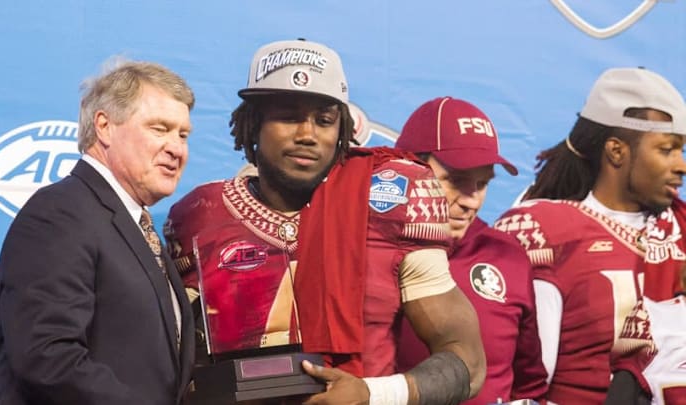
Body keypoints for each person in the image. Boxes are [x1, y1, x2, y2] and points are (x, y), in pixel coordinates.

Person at [164, 38, 486, 404]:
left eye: (324, 120)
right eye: (288, 116)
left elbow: (469, 362)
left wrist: (371, 394)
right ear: (253, 124)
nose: (307, 135)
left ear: (342, 129)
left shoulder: (389, 201)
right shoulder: (200, 213)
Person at [0, 59, 196, 405]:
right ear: (104, 126)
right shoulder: (59, 214)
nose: (177, 148)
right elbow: (48, 357)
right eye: (159, 129)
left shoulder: (135, 225)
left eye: (183, 134)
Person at [494, 67, 686, 404]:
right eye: (667, 149)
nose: (681, 165)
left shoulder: (682, 226)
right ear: (616, 151)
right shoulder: (543, 224)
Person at [393, 97, 548, 404]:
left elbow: (530, 384)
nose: (472, 201)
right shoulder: (363, 251)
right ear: (405, 168)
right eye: (455, 181)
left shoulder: (508, 255)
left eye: (482, 183)